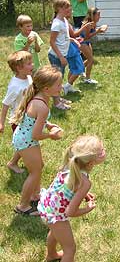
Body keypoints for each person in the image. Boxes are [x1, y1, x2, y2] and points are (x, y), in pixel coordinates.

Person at [38, 134, 106, 262]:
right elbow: (70, 212)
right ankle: (54, 256)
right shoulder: (85, 182)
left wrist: (84, 195)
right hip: (57, 216)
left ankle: (51, 255)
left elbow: (68, 189)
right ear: (91, 163)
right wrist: (88, 208)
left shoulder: (70, 164)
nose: (104, 151)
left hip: (47, 207)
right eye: (101, 151)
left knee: (55, 232)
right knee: (70, 249)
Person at [11, 65, 63, 215]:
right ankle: (23, 206)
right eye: (58, 85)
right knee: (35, 172)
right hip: (27, 141)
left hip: (24, 138)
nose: (60, 87)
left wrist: (48, 124)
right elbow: (36, 135)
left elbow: (34, 120)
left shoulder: (39, 97)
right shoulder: (43, 106)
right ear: (46, 89)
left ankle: (35, 196)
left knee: (39, 165)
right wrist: (51, 135)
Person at [0, 51, 33, 174]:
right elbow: (5, 104)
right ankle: (13, 163)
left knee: (28, 141)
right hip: (18, 120)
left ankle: (23, 159)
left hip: (28, 117)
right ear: (19, 68)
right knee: (24, 143)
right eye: (29, 64)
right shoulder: (14, 86)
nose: (32, 65)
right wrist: (1, 123)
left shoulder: (28, 77)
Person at [48, 0, 80, 108]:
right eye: (66, 7)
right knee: (56, 79)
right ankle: (57, 103)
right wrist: (61, 57)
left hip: (61, 55)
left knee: (59, 78)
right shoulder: (57, 24)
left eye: (69, 6)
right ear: (58, 9)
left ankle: (58, 98)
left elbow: (63, 37)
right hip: (56, 56)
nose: (69, 9)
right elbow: (52, 42)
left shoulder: (64, 20)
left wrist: (73, 40)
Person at [80, 7, 108, 84]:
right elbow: (86, 37)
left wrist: (100, 29)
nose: (100, 17)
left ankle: (79, 70)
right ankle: (87, 78)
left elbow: (90, 35)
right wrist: (98, 31)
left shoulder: (93, 23)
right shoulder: (88, 24)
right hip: (82, 42)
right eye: (98, 15)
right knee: (91, 60)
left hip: (87, 42)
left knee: (90, 59)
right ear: (93, 15)